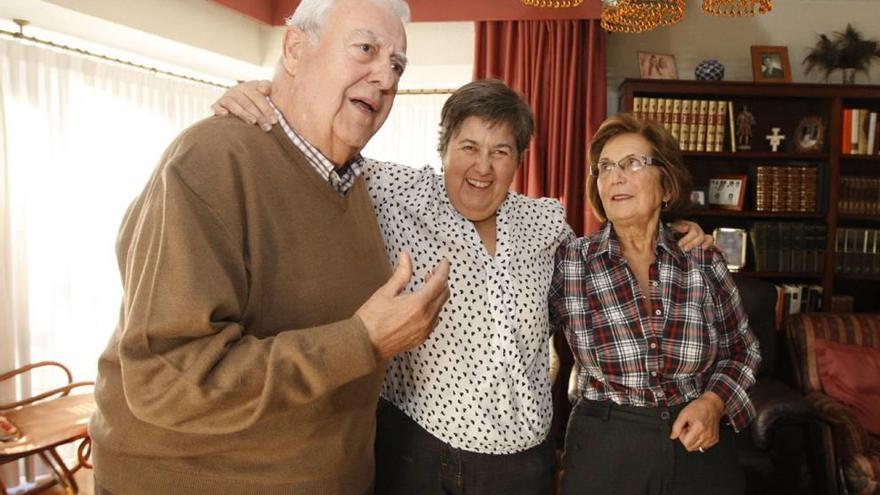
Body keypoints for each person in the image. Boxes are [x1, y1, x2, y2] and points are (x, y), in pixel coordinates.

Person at [213, 81, 713, 493]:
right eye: (468, 147)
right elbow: (311, 156)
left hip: (523, 464)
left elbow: (609, 268)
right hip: (419, 452)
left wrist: (675, 237)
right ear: (444, 147)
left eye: (501, 152)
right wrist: (259, 106)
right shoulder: (393, 193)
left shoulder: (545, 223)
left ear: (519, 160)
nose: (482, 167)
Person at [88, 1, 451, 494]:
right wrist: (362, 341)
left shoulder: (360, 184)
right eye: (365, 48)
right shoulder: (210, 160)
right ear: (295, 49)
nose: (385, 77)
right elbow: (168, 380)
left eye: (397, 65)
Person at [550, 113, 761, 494]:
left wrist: (715, 402)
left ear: (666, 186)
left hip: (698, 445)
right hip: (606, 447)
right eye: (605, 167)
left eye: (632, 163)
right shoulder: (568, 263)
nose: (615, 176)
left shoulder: (702, 259)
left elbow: (743, 349)